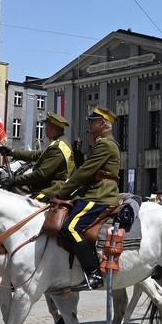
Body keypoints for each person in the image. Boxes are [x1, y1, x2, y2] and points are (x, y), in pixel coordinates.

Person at [36, 106, 121, 291]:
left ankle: (93, 273)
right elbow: (90, 169)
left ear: (103, 124)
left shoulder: (105, 144)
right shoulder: (101, 143)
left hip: (100, 195)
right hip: (93, 191)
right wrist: (80, 155)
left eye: (92, 121)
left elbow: (83, 174)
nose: (89, 124)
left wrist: (60, 195)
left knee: (71, 227)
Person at [0, 112, 82, 193]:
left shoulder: (57, 148)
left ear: (51, 129)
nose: (44, 129)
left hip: (49, 189)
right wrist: (12, 152)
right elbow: (37, 155)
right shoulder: (61, 143)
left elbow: (40, 174)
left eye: (46, 127)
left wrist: (14, 180)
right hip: (49, 186)